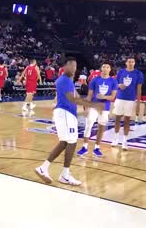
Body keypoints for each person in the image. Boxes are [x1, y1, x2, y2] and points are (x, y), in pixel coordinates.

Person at [35, 57, 104, 186]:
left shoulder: (68, 81)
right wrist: (93, 104)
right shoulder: (63, 80)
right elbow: (72, 99)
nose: (74, 68)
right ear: (64, 66)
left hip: (67, 114)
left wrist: (85, 105)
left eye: (75, 66)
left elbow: (75, 95)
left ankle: (43, 168)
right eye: (71, 65)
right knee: (71, 142)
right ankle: (65, 175)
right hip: (65, 113)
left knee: (64, 143)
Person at [77, 62, 117, 157]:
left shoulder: (113, 81)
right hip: (94, 106)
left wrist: (103, 96)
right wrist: (86, 107)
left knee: (101, 127)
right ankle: (84, 147)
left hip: (105, 108)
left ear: (110, 69)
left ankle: (97, 148)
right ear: (101, 68)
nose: (105, 68)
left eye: (107, 67)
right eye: (104, 66)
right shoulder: (95, 80)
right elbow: (89, 95)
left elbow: (112, 97)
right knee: (88, 125)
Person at [111, 57, 144, 150]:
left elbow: (139, 88)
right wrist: (118, 85)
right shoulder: (120, 72)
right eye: (129, 61)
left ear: (134, 63)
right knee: (117, 119)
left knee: (127, 120)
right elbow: (115, 84)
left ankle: (125, 141)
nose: (131, 63)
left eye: (132, 62)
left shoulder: (138, 74)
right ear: (126, 63)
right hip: (120, 98)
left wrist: (138, 101)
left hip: (130, 99)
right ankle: (115, 139)